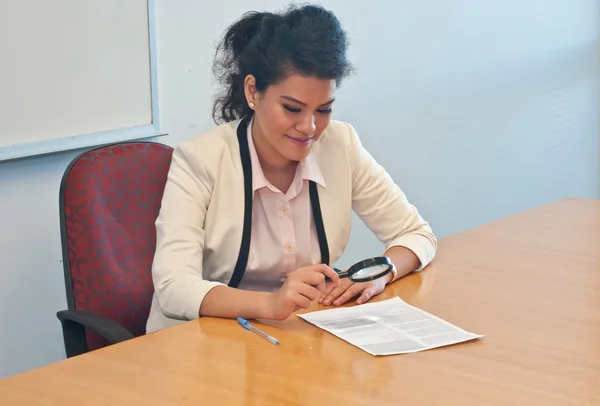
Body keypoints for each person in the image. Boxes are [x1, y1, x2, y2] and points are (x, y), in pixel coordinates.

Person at [146, 4, 436, 333]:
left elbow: (416, 233)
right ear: (253, 91)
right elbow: (173, 287)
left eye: (323, 109)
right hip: (201, 341)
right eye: (292, 108)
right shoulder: (200, 159)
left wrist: (383, 271)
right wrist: (270, 304)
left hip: (295, 338)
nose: (309, 127)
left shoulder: (341, 145)